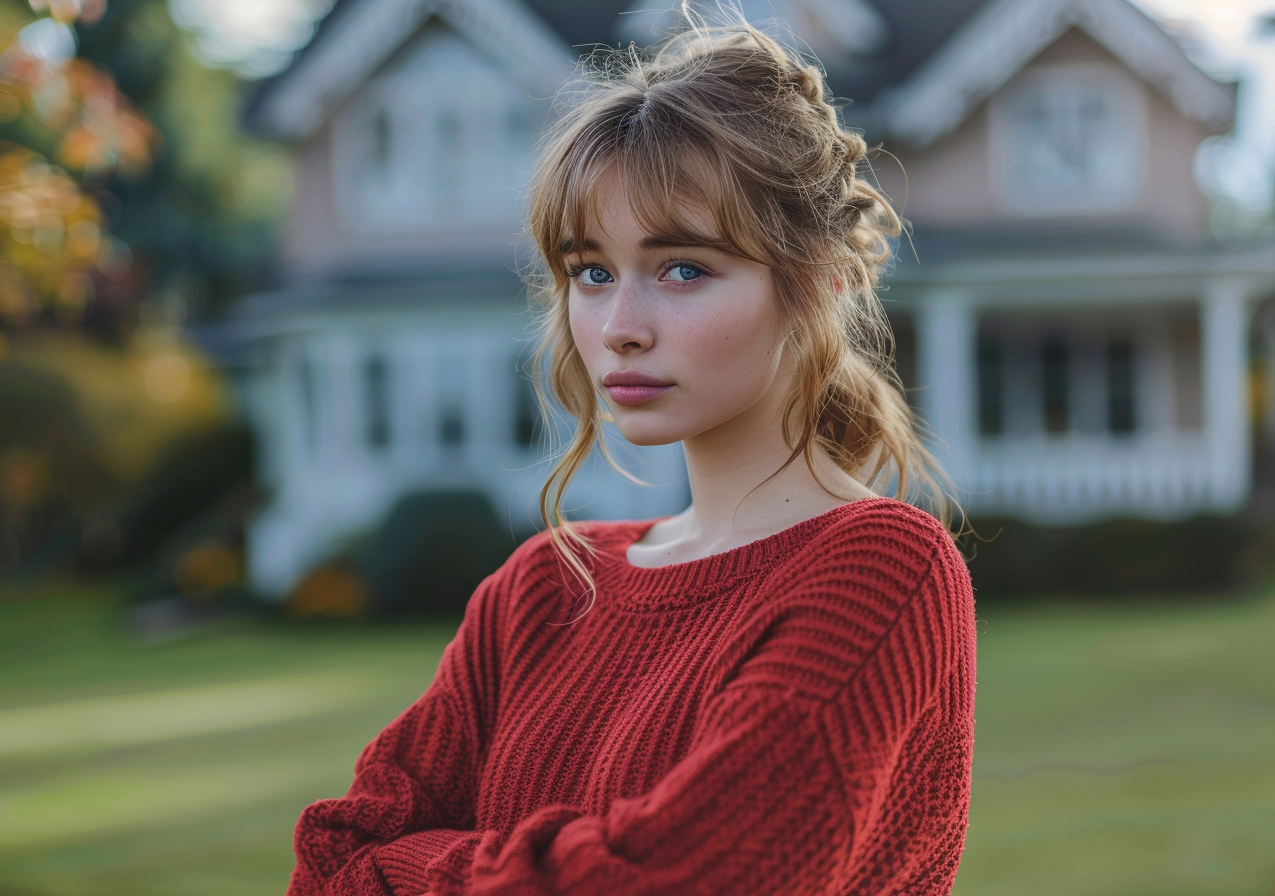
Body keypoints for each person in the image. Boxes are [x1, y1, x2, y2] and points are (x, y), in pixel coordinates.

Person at [287, 19, 976, 896]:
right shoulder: (539, 592)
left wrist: (398, 871)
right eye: (591, 272)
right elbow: (330, 858)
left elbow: (678, 879)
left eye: (683, 268)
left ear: (823, 281)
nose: (618, 329)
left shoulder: (881, 571)